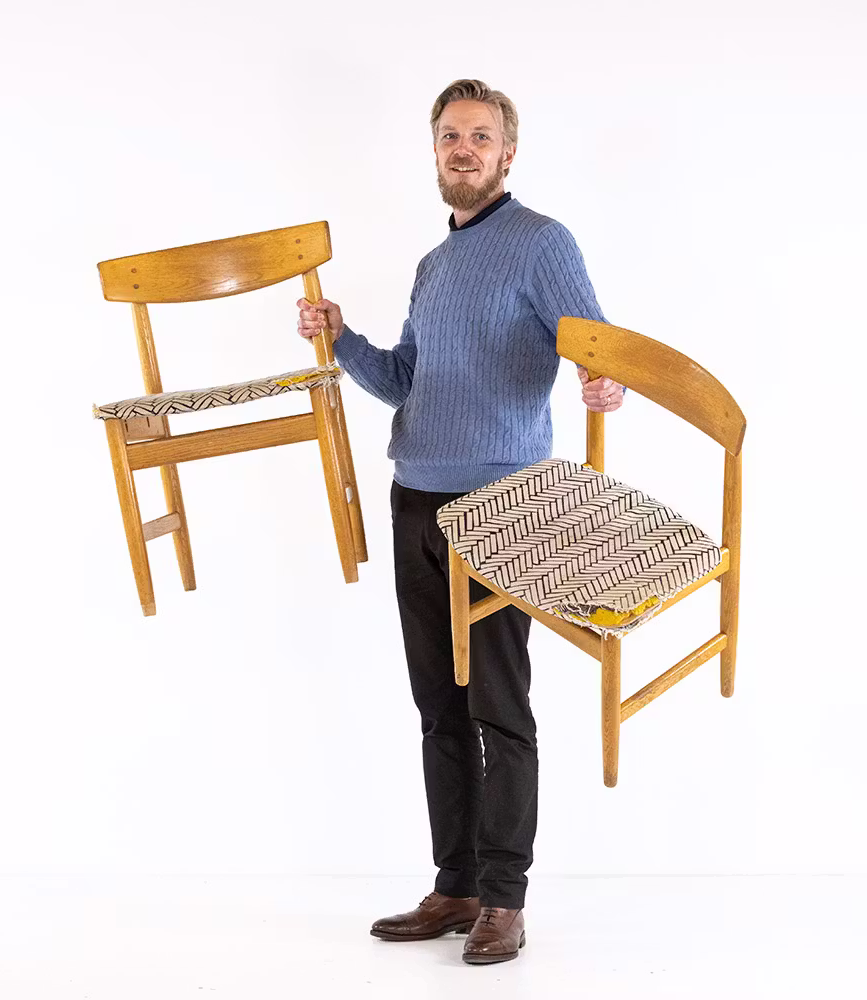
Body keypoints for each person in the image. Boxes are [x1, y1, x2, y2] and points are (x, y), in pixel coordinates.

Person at [297, 79, 625, 966]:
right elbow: (407, 380)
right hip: (415, 498)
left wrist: (605, 382)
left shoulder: (542, 242)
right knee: (439, 708)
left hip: (502, 507)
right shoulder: (434, 265)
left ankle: (505, 899)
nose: (464, 149)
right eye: (450, 135)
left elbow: (597, 346)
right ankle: (457, 886)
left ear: (507, 153)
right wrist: (339, 337)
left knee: (499, 709)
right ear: (435, 151)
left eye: (480, 136)